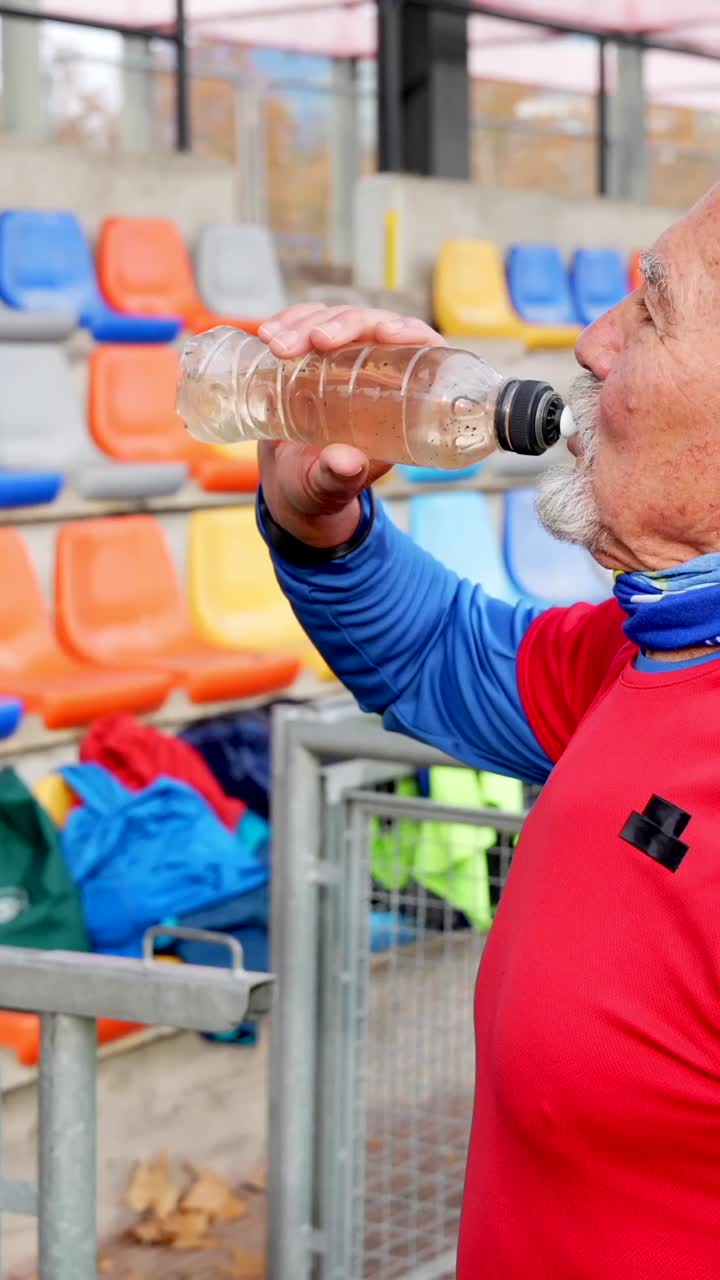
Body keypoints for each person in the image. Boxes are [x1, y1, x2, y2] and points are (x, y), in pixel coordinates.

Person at [255, 185, 720, 1280]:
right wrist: (315, 520)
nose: (591, 344)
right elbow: (437, 655)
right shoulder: (651, 650)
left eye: (649, 314)